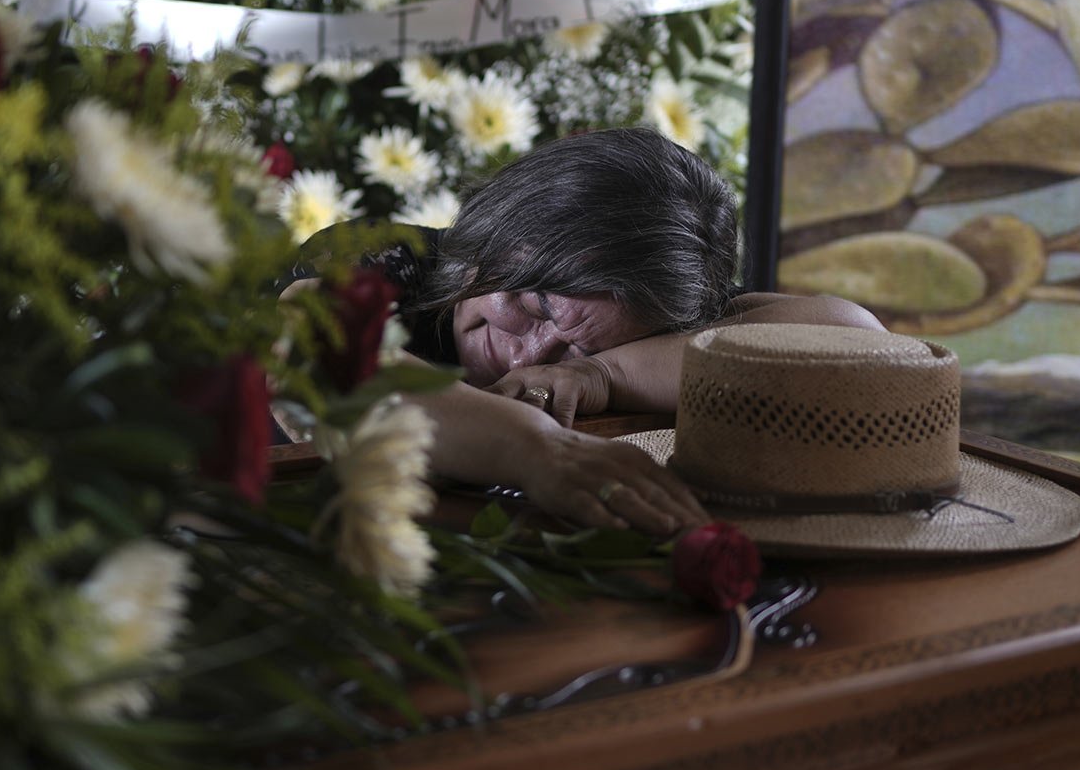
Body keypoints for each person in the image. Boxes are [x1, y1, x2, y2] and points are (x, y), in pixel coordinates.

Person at [284, 128, 884, 536]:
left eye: (584, 342)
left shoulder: (642, 309)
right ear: (504, 221)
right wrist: (536, 448)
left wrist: (602, 374)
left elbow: (860, 343)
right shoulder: (385, 259)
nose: (532, 353)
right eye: (538, 305)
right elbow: (308, 353)